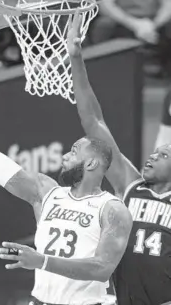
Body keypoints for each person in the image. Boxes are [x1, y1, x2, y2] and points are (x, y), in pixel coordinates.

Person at [0, 65, 132, 305]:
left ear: (92, 163)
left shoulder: (113, 209)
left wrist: (41, 261)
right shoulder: (45, 191)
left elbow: (101, 268)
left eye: (74, 152)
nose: (65, 156)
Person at [64, 9, 171, 305]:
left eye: (163, 154)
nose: (152, 155)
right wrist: (75, 58)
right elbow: (93, 123)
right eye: (154, 151)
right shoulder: (131, 185)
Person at [89, 0, 171, 77]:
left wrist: (153, 25)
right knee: (104, 25)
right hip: (122, 20)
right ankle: (102, 72)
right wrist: (135, 25)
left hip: (153, 21)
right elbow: (106, 6)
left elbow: (168, 6)